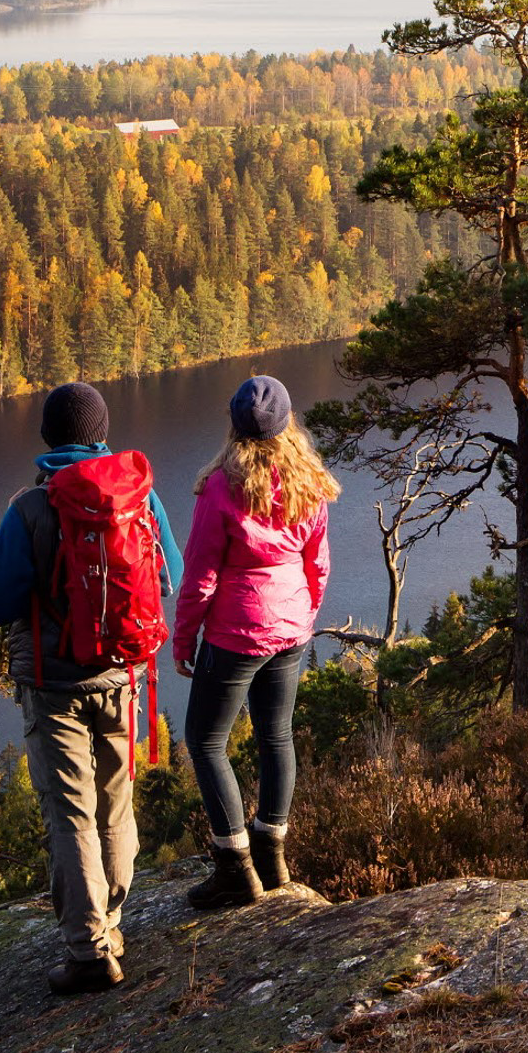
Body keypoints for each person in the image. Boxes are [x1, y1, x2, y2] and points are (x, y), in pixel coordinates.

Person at [0, 381, 184, 994]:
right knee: (115, 800)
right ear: (101, 432)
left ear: (49, 437)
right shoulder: (140, 499)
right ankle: (111, 921)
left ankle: (89, 951)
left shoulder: (28, 507)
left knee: (70, 813)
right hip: (121, 676)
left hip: (53, 683)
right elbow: (166, 577)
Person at [174, 375, 338, 909]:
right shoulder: (309, 481)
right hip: (290, 627)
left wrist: (184, 638)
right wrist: (304, 615)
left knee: (204, 741)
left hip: (236, 633)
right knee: (276, 735)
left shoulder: (221, 486)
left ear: (234, 426)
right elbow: (318, 563)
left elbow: (199, 574)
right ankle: (273, 853)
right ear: (289, 424)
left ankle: (236, 866)